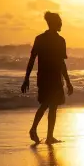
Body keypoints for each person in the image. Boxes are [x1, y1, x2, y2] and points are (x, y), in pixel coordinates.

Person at [21, 12, 73, 145]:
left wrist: (68, 81)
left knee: (51, 105)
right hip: (49, 77)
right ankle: (36, 130)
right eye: (59, 21)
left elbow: (61, 63)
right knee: (47, 104)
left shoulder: (44, 39)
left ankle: (48, 135)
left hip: (50, 77)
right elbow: (33, 59)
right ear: (54, 23)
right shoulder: (55, 40)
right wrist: (26, 78)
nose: (61, 24)